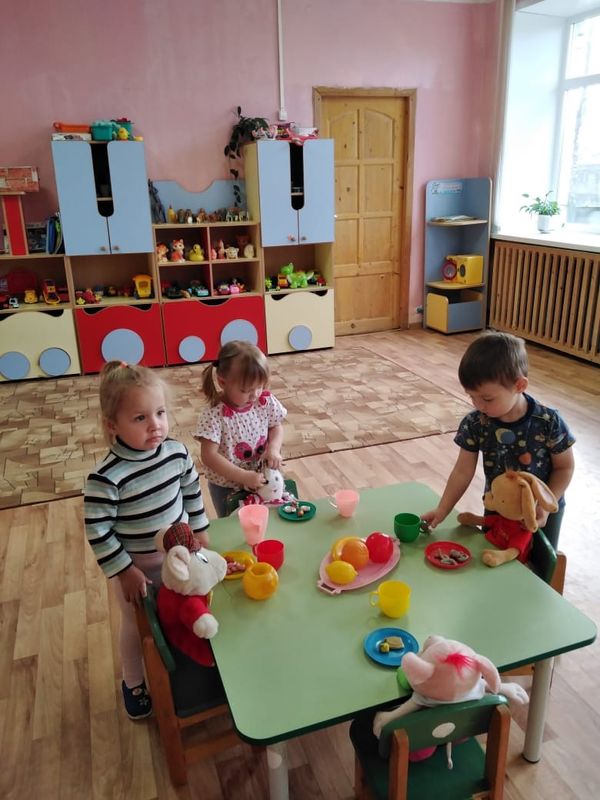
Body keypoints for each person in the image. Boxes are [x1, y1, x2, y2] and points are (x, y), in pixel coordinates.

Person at [84, 361, 209, 720]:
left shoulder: (177, 453)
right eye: (140, 418)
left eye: (160, 413)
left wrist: (200, 529)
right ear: (112, 425)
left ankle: (190, 651)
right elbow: (98, 530)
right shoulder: (106, 478)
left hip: (182, 555)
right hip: (138, 570)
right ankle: (134, 681)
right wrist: (124, 571)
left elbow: (191, 492)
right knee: (138, 627)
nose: (155, 424)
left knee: (190, 603)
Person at [422, 331, 575, 549]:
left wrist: (545, 505)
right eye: (471, 396)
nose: (478, 405)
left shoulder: (548, 421)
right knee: (494, 556)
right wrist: (442, 509)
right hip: (498, 506)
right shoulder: (475, 423)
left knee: (541, 564)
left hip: (543, 509)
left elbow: (565, 467)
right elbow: (462, 471)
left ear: (519, 386)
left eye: (487, 398)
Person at [195, 341, 286, 517]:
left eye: (260, 386)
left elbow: (276, 426)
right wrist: (242, 476)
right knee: (233, 524)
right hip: (227, 487)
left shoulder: (264, 401)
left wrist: (273, 449)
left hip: (262, 477)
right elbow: (208, 456)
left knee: (266, 516)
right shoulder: (214, 414)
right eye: (246, 390)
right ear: (223, 382)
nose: (255, 394)